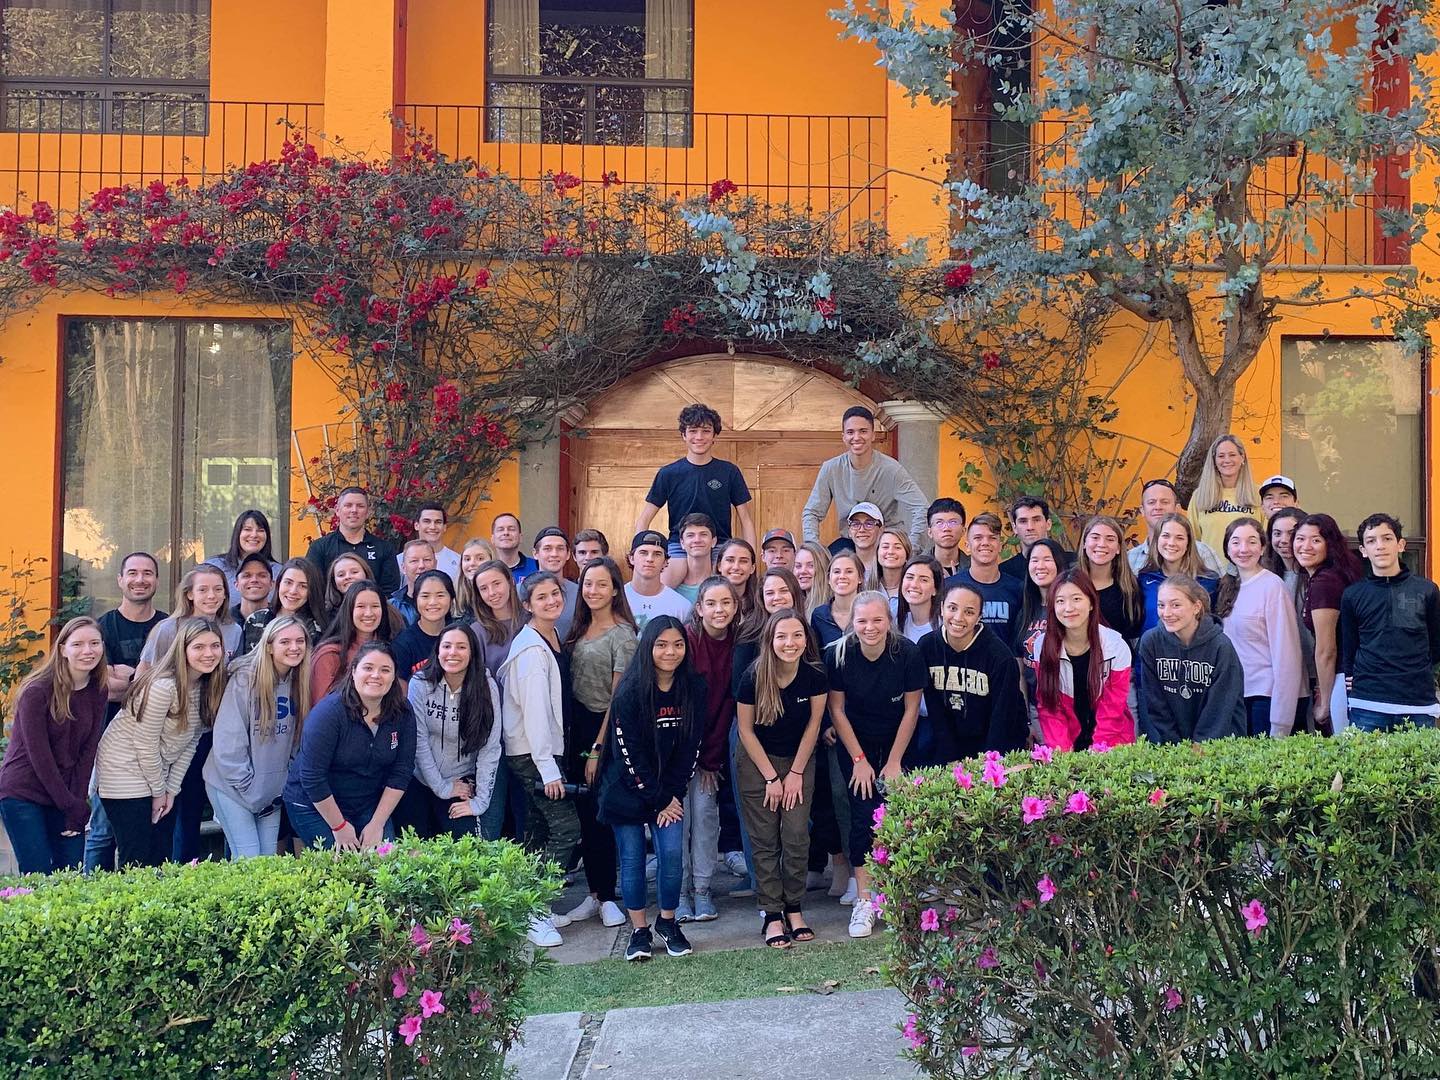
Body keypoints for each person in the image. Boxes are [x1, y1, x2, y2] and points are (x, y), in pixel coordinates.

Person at [597, 615, 705, 961]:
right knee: (632, 859)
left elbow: (691, 747)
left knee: (672, 854)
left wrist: (671, 795)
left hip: (669, 792)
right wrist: (657, 797)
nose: (670, 652)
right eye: (661, 645)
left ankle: (668, 923)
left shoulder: (693, 688)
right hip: (627, 788)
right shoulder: (629, 691)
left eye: (678, 644)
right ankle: (639, 931)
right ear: (648, 647)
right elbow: (627, 754)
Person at [825, 591, 925, 938]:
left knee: (900, 815)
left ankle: (898, 897)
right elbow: (837, 710)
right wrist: (859, 760)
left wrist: (894, 761)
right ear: (852, 622)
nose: (870, 627)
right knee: (862, 816)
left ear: (889, 621)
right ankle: (865, 901)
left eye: (877, 620)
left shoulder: (908, 653)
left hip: (898, 739)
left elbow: (911, 710)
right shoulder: (839, 654)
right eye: (862, 621)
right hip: (857, 741)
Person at [95, 617, 226, 867]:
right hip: (124, 771)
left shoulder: (206, 687)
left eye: (215, 646)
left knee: (161, 857)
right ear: (182, 649)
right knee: (137, 858)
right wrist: (159, 792)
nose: (209, 654)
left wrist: (171, 791)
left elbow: (190, 743)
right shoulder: (163, 686)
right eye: (199, 647)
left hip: (157, 775)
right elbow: (145, 744)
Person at [499, 572, 584, 947]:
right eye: (542, 597)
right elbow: (534, 714)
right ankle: (536, 912)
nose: (552, 601)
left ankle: (532, 908)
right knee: (566, 828)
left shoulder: (551, 637)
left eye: (555, 593)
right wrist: (549, 770)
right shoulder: (532, 651)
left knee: (537, 831)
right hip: (533, 754)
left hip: (544, 751)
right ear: (527, 605)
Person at [736, 608, 827, 948]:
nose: (790, 643)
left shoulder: (814, 676)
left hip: (798, 760)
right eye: (782, 636)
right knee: (764, 839)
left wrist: (796, 773)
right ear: (770, 640)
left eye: (797, 635)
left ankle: (794, 908)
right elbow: (745, 731)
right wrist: (772, 778)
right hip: (758, 762)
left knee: (796, 835)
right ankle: (772, 914)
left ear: (806, 639)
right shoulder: (753, 676)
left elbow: (814, 725)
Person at [556, 558, 636, 930]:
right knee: (586, 817)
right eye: (588, 584)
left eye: (602, 584)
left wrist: (597, 749)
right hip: (576, 730)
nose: (593, 591)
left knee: (602, 815)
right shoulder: (577, 628)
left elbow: (618, 699)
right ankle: (593, 894)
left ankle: (608, 897)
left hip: (605, 732)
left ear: (616, 589)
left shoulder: (623, 634)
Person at [283, 641, 416, 851]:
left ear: (393, 677)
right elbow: (312, 777)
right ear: (353, 672)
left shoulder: (403, 712)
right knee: (347, 862)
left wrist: (377, 823)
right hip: (315, 804)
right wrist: (339, 826)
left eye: (385, 670)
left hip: (366, 805)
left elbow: (402, 771)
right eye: (368, 668)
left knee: (384, 861)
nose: (376, 675)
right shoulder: (329, 713)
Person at [0, 617, 107, 873]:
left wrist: (77, 803)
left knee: (70, 873)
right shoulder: (37, 691)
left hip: (65, 794)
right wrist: (69, 805)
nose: (88, 651)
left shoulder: (98, 690)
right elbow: (40, 758)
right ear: (62, 649)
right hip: (24, 792)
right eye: (77, 644)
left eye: (94, 643)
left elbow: (87, 752)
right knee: (38, 873)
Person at [202, 615, 311, 858]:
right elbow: (229, 740)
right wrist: (247, 785)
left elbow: (294, 743)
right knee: (248, 858)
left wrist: (280, 784)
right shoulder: (245, 678)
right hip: (232, 785)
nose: (294, 648)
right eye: (285, 642)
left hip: (271, 791)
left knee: (267, 861)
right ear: (269, 646)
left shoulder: (298, 681)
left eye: (300, 641)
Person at [87, 552, 167, 872]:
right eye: (132, 573)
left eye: (148, 573)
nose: (140, 579)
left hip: (156, 742)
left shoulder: (167, 626)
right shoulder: (104, 627)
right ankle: (92, 891)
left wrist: (127, 676)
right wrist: (147, 678)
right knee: (103, 829)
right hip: (111, 743)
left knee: (150, 828)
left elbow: (175, 682)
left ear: (156, 580)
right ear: (120, 580)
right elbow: (103, 687)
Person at [398, 624, 503, 839]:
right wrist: (442, 787)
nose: (452, 653)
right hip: (420, 778)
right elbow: (418, 741)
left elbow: (490, 747)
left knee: (466, 845)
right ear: (437, 651)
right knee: (413, 846)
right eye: (446, 646)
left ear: (472, 653)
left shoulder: (486, 686)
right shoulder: (420, 684)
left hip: (461, 780)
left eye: (461, 647)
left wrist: (480, 802)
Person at [635, 403, 756, 585]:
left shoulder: (729, 471)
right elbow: (644, 520)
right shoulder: (668, 473)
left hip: (720, 545)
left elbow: (745, 519)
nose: (699, 437)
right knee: (660, 587)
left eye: (706, 431)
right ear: (684, 435)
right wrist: (640, 552)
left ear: (714, 435)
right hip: (679, 546)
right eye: (693, 431)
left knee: (722, 591)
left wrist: (751, 557)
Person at [1340, 513, 1440, 732]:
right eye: (1371, 541)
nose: (1380, 546)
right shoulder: (1352, 595)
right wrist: (1351, 680)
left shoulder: (1427, 590)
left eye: (1387, 538)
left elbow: (1436, 645)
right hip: (1367, 702)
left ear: (1400, 544)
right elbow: (1349, 647)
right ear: (1363, 551)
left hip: (1418, 702)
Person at [679, 576, 741, 923]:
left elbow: (729, 705)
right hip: (678, 750)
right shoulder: (685, 642)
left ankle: (702, 890)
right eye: (712, 603)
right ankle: (679, 891)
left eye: (726, 603)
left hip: (712, 751)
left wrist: (711, 759)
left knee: (704, 818)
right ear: (699, 608)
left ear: (735, 607)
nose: (720, 610)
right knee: (679, 822)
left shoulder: (739, 644)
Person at [917, 582, 1027, 765]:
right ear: (941, 608)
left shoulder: (1000, 657)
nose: (958, 618)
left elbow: (1002, 717)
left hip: (997, 738)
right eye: (952, 608)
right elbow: (934, 706)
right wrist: (950, 757)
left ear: (979, 617)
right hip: (952, 737)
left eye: (969, 612)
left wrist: (988, 762)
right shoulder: (927, 647)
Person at [1213, 518, 1303, 737]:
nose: (1243, 549)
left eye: (1252, 541)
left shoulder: (1272, 586)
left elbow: (1287, 655)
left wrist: (1281, 721)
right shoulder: (1226, 586)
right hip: (1233, 694)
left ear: (1262, 547)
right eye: (1236, 542)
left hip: (1264, 697)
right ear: (1227, 549)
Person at [1031, 569, 1136, 752]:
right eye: (1060, 601)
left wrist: (1098, 751)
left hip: (1111, 741)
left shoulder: (1115, 646)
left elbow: (1113, 708)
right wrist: (1063, 754)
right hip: (1066, 740)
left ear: (1091, 603)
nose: (1068, 608)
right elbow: (1049, 707)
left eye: (1076, 599)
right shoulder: (1042, 646)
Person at [1137, 576, 1246, 744]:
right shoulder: (1151, 642)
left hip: (1217, 743)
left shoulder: (1221, 646)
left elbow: (1221, 705)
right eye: (1161, 605)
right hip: (1171, 745)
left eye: (1176, 605)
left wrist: (1201, 744)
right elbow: (1154, 703)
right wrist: (1173, 746)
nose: (1166, 613)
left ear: (1196, 607)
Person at [803, 406, 928, 545]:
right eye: (850, 432)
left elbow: (921, 508)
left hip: (886, 543)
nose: (856, 437)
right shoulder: (831, 469)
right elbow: (811, 512)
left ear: (873, 435)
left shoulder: (892, 470)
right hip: (850, 541)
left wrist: (913, 547)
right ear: (843, 437)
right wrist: (812, 548)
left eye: (863, 431)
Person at [1293, 513, 1364, 735]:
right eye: (1300, 538)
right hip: (1351, 676)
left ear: (1329, 544)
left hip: (1343, 679)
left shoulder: (1325, 582)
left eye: (1316, 540)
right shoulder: (1332, 575)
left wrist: (1324, 701)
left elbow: (1326, 650)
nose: (1306, 546)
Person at [138, 565, 242, 670]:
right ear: (190, 594)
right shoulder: (168, 629)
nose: (211, 596)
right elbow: (145, 670)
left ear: (225, 594)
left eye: (218, 589)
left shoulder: (234, 630)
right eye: (203, 590)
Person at [311, 581, 400, 701]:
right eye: (361, 606)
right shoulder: (329, 655)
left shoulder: (391, 649)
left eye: (375, 606)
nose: (368, 613)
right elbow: (322, 706)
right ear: (349, 610)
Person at [946, 514, 1023, 652]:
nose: (985, 542)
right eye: (978, 538)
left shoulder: (1017, 589)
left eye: (992, 538)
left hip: (1003, 663)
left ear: (1000, 546)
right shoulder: (950, 587)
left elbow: (1018, 641)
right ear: (967, 546)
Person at [304, 487, 401, 596]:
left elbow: (390, 592)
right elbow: (312, 587)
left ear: (368, 512)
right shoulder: (319, 547)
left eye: (360, 506)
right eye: (348, 505)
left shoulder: (384, 548)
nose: (354, 510)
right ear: (337, 510)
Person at [1136, 513, 1220, 637]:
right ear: (1157, 539)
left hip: (1193, 648)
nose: (1171, 543)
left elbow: (1214, 624)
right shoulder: (1144, 578)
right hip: (1151, 648)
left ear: (1188, 543)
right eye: (1166, 536)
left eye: (1179, 538)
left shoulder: (1208, 581)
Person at [1185, 435, 1261, 569]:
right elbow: (1192, 540)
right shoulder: (1200, 496)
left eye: (1232, 455)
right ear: (1214, 461)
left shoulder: (1257, 494)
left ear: (1242, 457)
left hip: (1248, 572)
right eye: (1221, 456)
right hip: (1209, 573)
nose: (1227, 460)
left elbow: (1265, 539)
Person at [1127, 479, 1223, 576]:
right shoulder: (1131, 559)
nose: (1158, 507)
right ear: (1142, 510)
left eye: (1165, 502)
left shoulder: (1202, 552)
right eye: (1151, 502)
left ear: (1177, 509)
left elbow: (1221, 585)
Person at [1075, 516, 1144, 642]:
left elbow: (1134, 632)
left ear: (1118, 548)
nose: (1102, 544)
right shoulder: (1069, 584)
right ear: (1084, 543)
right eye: (1095, 537)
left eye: (1110, 539)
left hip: (1118, 654)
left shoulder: (1130, 587)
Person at [242, 556, 325, 653]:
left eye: (303, 586)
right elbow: (248, 660)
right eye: (288, 582)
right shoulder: (256, 620)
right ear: (278, 584)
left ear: (311, 591)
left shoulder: (315, 629)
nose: (293, 591)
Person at [391, 570, 457, 679]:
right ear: (415, 600)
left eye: (440, 595)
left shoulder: (461, 636)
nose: (433, 602)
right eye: (425, 596)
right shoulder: (403, 644)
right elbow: (401, 686)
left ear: (452, 599)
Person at [467, 559, 526, 678]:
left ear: (511, 582)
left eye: (496, 584)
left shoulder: (531, 620)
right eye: (484, 588)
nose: (491, 592)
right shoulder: (477, 632)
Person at [624, 530, 693, 630]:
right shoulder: (617, 599)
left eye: (657, 554)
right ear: (632, 558)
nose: (650, 559)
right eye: (643, 553)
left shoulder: (681, 606)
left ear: (665, 562)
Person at [204, 509, 282, 594]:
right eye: (247, 529)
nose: (254, 535)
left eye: (260, 530)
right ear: (237, 533)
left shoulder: (279, 572)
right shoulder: (214, 567)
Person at [999, 497, 1071, 580]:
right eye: (1023, 521)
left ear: (1048, 524)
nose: (1030, 527)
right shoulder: (1005, 572)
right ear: (1014, 528)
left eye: (1036, 520)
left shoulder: (1073, 564)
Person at [532, 527, 581, 637]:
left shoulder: (579, 593)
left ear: (568, 554)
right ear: (535, 554)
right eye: (547, 549)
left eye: (560, 548)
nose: (554, 554)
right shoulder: (520, 591)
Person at [396, 502, 461, 584]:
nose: (432, 527)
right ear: (416, 525)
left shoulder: (458, 562)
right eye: (427, 521)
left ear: (444, 527)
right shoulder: (399, 561)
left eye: (438, 522)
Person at [810, 550, 864, 649]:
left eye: (849, 571)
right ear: (829, 579)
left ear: (860, 578)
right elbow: (816, 654)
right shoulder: (819, 615)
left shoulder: (870, 613)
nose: (842, 576)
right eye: (836, 572)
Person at [715, 538, 764, 640]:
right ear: (719, 566)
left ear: (752, 568)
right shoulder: (706, 598)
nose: (736, 567)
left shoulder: (761, 602)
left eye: (743, 561)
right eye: (730, 560)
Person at [671, 513, 717, 606]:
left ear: (713, 541)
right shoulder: (671, 588)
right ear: (682, 543)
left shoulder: (722, 584)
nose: (697, 540)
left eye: (703, 534)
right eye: (690, 535)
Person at [391, 539, 439, 625]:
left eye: (427, 560)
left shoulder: (448, 603)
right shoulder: (392, 607)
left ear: (435, 564)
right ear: (403, 568)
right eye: (414, 561)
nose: (421, 566)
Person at [895, 556, 942, 643]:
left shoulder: (944, 627)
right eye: (910, 577)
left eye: (923, 580)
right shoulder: (894, 620)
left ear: (935, 589)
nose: (914, 585)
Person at [322, 552, 374, 625]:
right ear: (334, 582)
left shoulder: (385, 607)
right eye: (341, 575)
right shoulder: (325, 616)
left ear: (366, 574)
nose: (348, 577)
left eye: (354, 572)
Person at [1263, 507, 1308, 588]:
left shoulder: (1317, 577)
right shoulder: (1265, 574)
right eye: (1277, 534)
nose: (1284, 540)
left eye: (1292, 533)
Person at [926, 498, 969, 578]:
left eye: (953, 522)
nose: (946, 528)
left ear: (963, 530)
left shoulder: (975, 567)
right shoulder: (917, 567)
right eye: (939, 522)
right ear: (930, 532)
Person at [490, 513, 539, 584]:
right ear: (492, 539)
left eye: (511, 529)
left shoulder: (537, 567)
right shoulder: (486, 571)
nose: (506, 533)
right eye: (500, 530)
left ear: (520, 537)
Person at [456, 539, 499, 617]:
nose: (472, 563)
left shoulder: (500, 592)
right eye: (467, 559)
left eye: (480, 558)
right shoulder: (454, 595)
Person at [869, 528, 913, 605]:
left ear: (907, 554)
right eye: (885, 547)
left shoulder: (913, 588)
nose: (890, 552)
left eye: (897, 547)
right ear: (877, 553)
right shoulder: (865, 586)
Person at [230, 553, 275, 625]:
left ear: (271, 584)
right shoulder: (223, 622)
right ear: (236, 585)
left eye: (262, 575)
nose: (254, 580)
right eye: (247, 575)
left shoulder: (281, 621)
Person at [845, 503, 884, 578]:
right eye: (856, 524)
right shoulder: (841, 568)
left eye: (869, 524)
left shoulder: (887, 567)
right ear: (849, 531)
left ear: (881, 530)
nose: (862, 529)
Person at [795, 541, 833, 619]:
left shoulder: (833, 607)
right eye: (798, 566)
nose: (803, 571)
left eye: (810, 565)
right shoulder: (794, 606)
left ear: (824, 567)